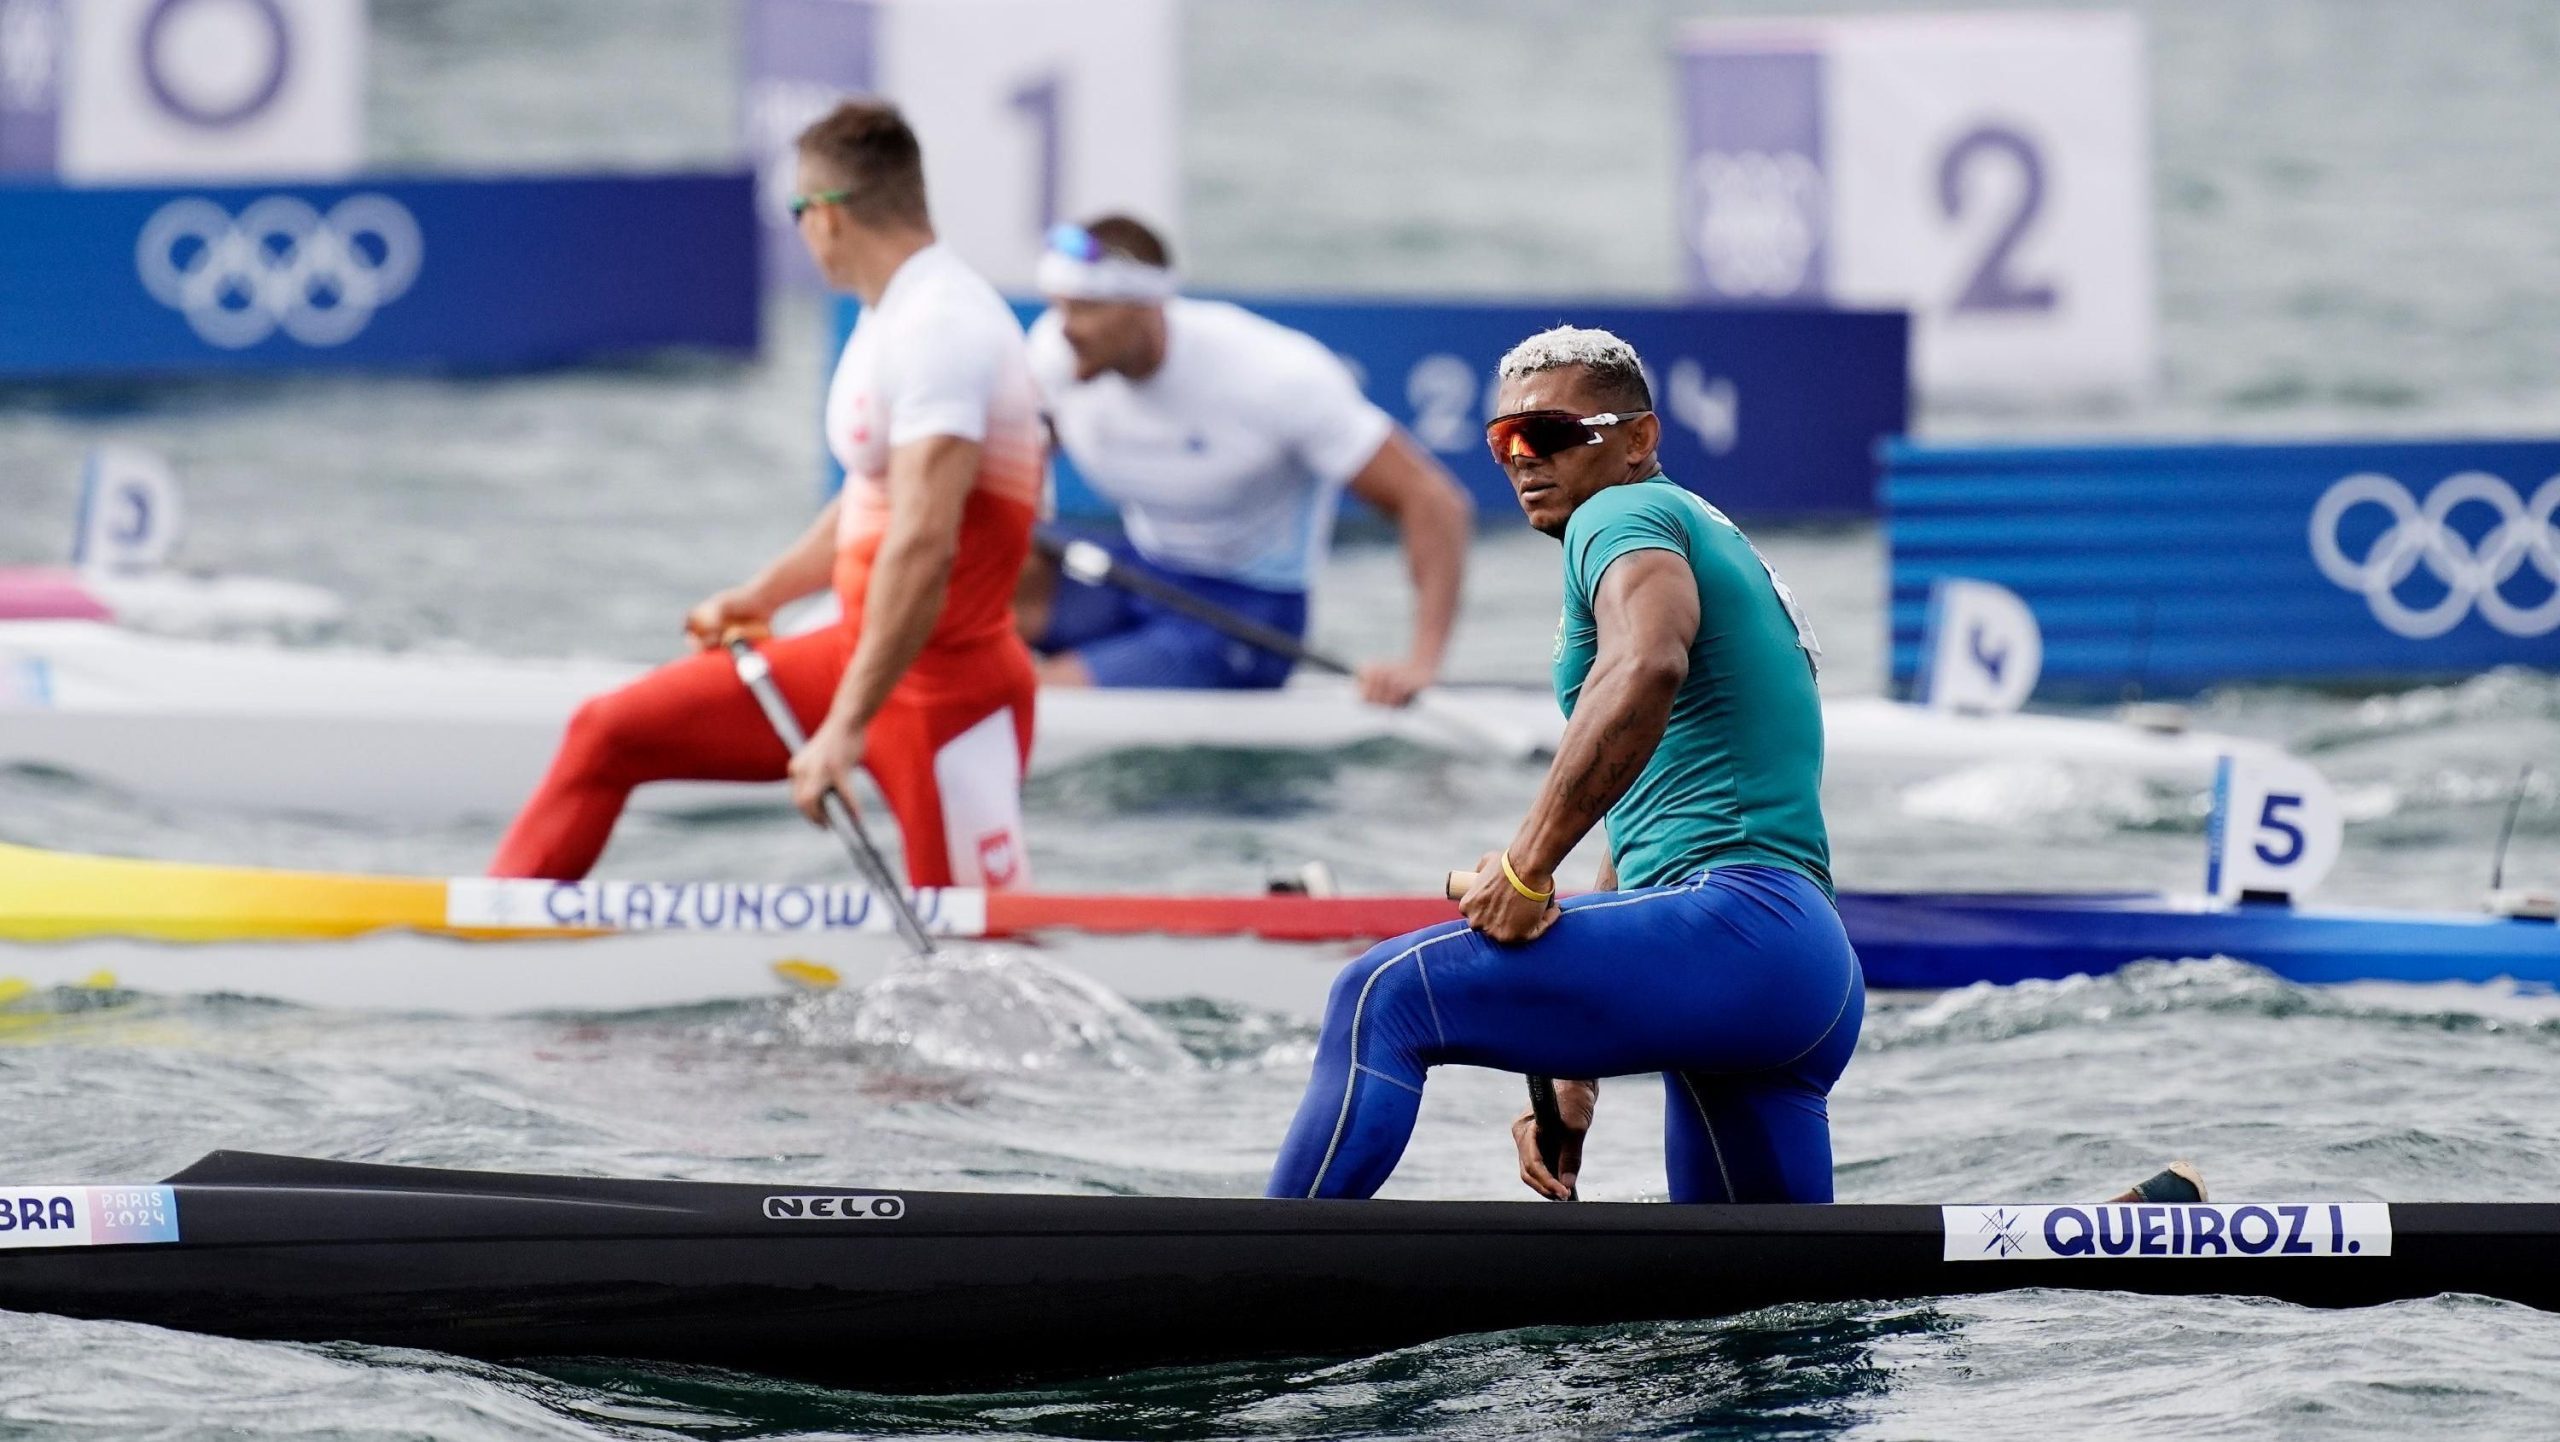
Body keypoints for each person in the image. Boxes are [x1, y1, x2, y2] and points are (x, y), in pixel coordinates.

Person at [1266, 325, 1863, 1203]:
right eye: (1503, 440)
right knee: (1763, 1319)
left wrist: (1525, 868)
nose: (1522, 459)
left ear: (1639, 440)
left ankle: (1264, 1278)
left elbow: (1644, 666)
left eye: (1549, 434)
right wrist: (1571, 1064)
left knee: (1379, 996)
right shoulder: (1702, 534)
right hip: (1796, 974)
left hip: (1739, 929)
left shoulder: (1622, 515)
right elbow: (1650, 796)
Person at [489, 100, 1043, 889]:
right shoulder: (889, 316)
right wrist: (762, 594)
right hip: (856, 655)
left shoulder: (943, 328)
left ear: (826, 216)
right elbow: (869, 504)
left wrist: (844, 727)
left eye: (796, 212)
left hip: (944, 696)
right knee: (609, 733)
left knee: (982, 967)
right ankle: (491, 929)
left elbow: (925, 541)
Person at [1017, 216, 1471, 705]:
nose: (1065, 329)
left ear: (1144, 307)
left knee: (1022, 694)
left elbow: (1434, 501)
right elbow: (1017, 468)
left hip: (1248, 615)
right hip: (1138, 568)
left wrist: (1421, 665)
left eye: (1084, 309)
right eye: (1058, 306)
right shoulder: (1056, 351)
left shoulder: (1271, 377)